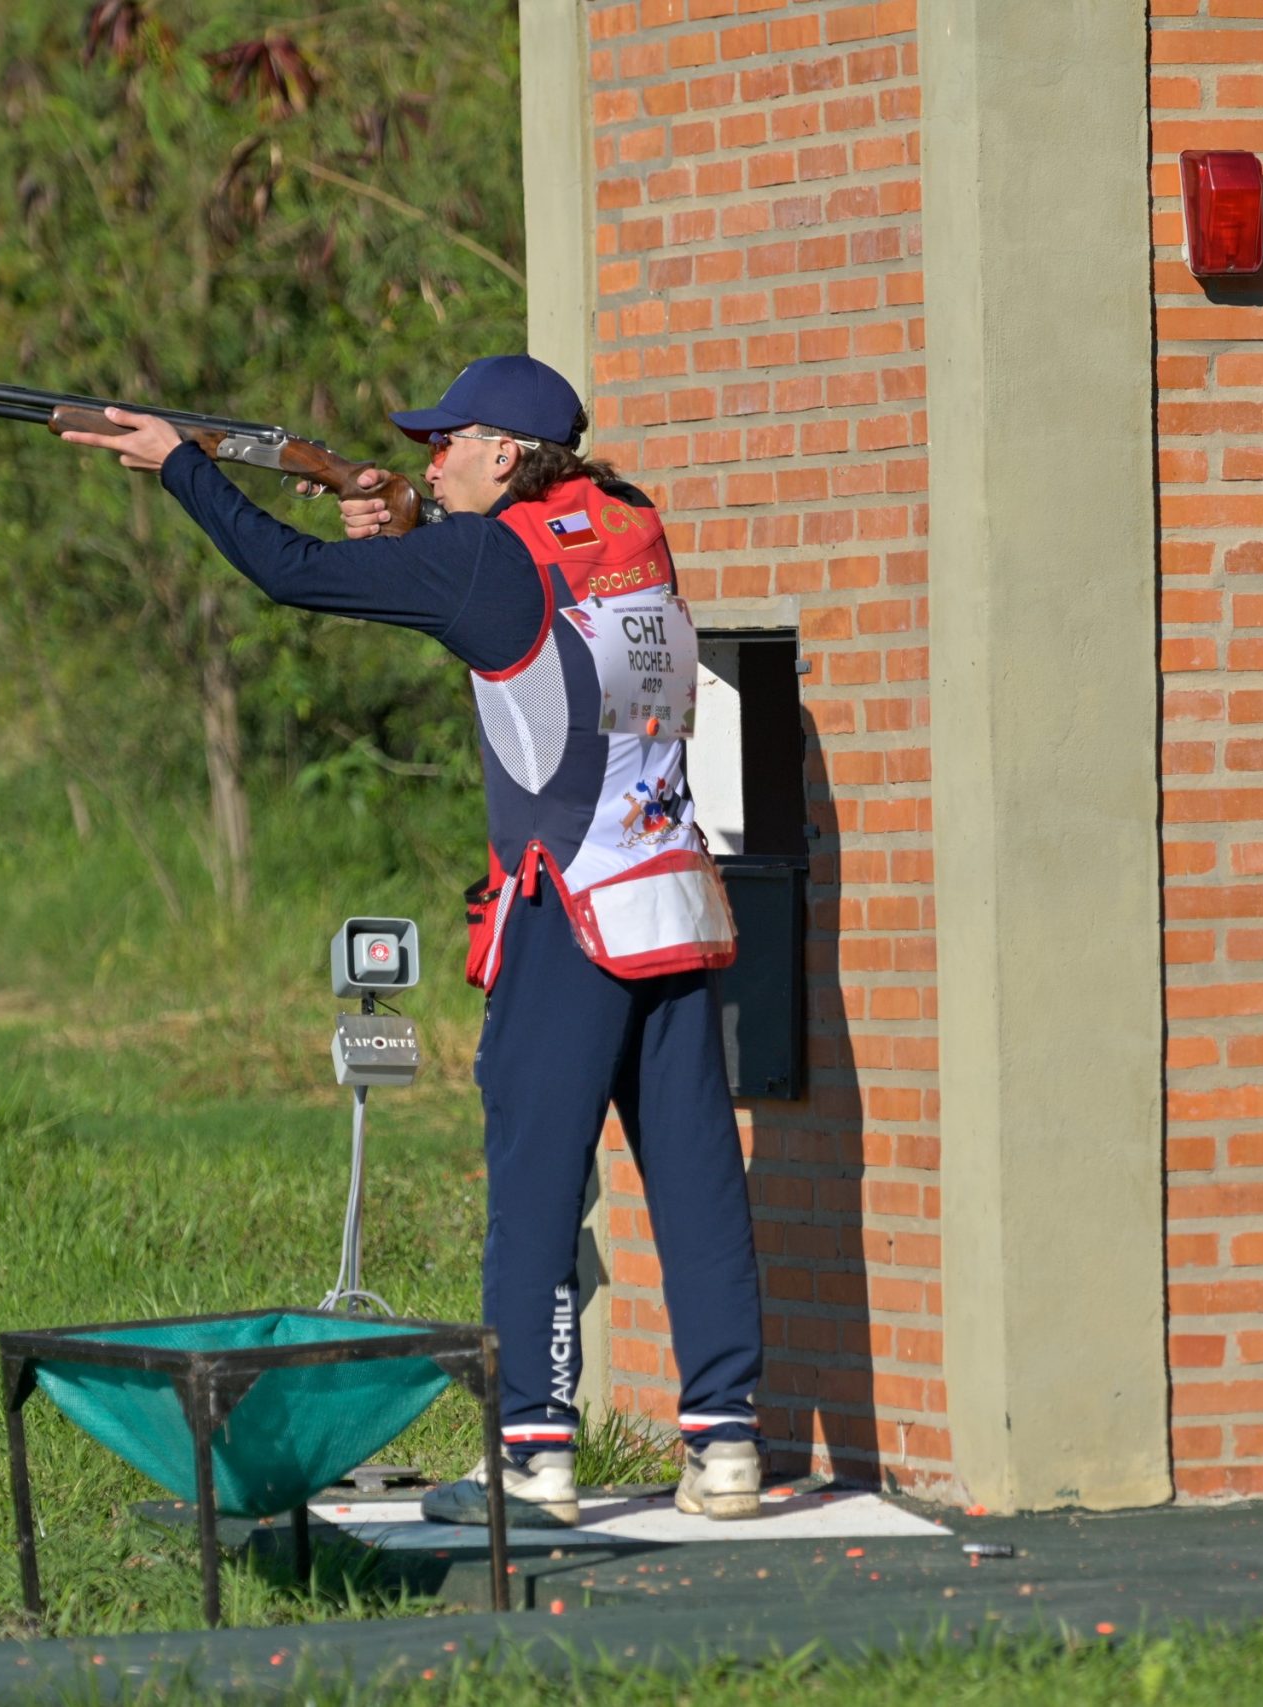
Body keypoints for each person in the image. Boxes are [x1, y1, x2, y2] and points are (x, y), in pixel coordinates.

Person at [61, 355, 766, 1526]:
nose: (431, 457)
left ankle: (533, 1456)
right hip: (675, 900)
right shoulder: (628, 524)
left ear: (504, 452)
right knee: (696, 1186)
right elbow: (536, 628)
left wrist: (181, 467)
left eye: (449, 443)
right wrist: (406, 520)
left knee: (535, 1188)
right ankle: (727, 1447)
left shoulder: (487, 557)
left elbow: (291, 575)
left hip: (566, 912)